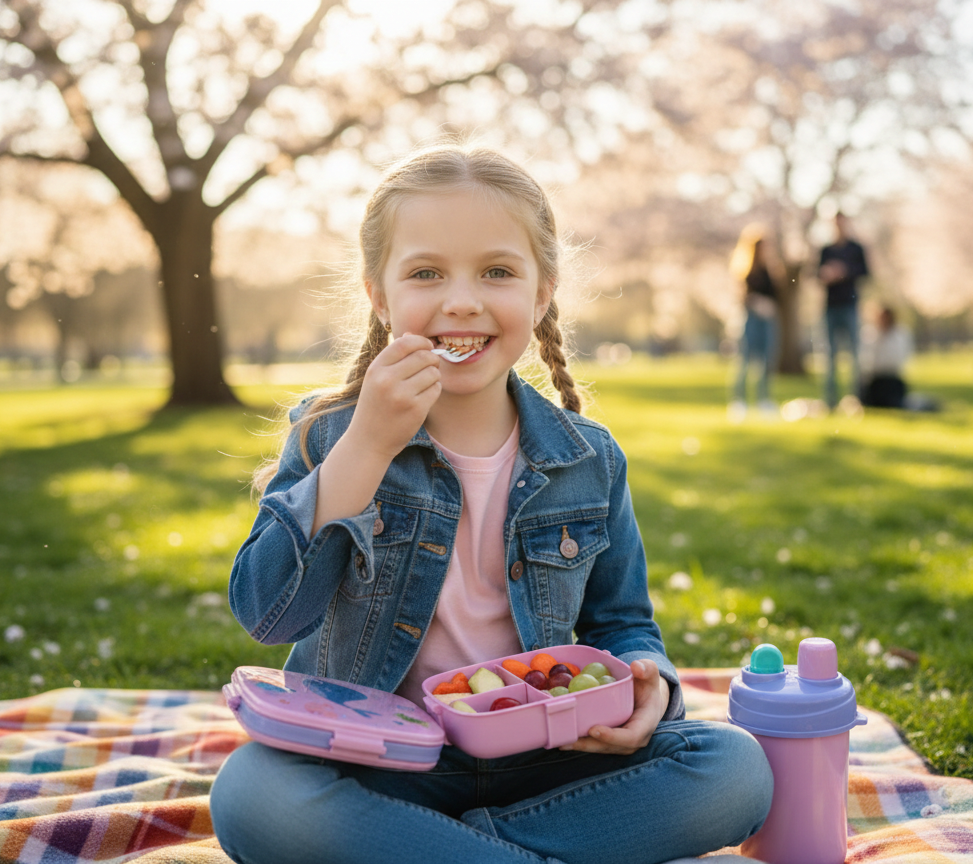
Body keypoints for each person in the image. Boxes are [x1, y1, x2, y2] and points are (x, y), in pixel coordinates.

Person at [210, 146, 772, 864]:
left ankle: (446, 853)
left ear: (542, 293)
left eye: (497, 272)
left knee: (733, 768)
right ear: (378, 294)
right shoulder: (330, 437)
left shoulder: (588, 458)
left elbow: (622, 622)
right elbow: (268, 613)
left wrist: (649, 688)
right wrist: (366, 448)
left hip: (551, 759)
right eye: (425, 273)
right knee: (250, 791)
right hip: (381, 762)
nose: (462, 300)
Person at [728, 224, 784, 418]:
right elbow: (743, 296)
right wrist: (757, 304)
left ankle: (764, 400)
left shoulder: (772, 269)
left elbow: (779, 296)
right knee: (745, 361)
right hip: (752, 319)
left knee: (767, 361)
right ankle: (739, 401)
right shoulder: (746, 270)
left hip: (769, 320)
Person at [819, 212, 870, 409]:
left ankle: (857, 399)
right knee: (829, 355)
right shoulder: (826, 250)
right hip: (830, 307)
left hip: (850, 306)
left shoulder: (856, 249)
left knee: (855, 353)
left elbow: (865, 272)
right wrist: (826, 275)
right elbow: (816, 274)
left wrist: (844, 271)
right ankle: (830, 401)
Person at [860, 306, 912, 408]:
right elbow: (866, 359)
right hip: (875, 380)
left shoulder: (901, 334)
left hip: (892, 379)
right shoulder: (871, 333)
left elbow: (900, 358)